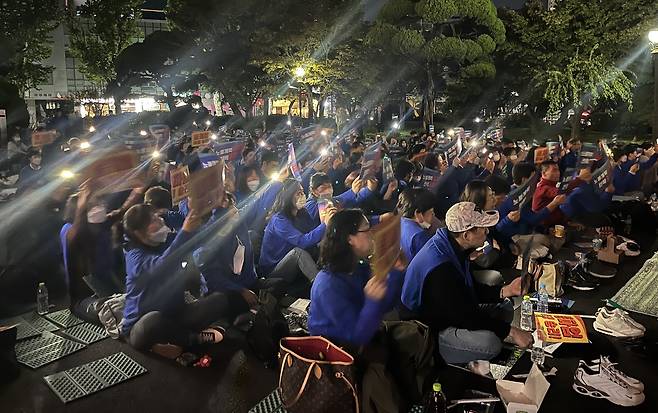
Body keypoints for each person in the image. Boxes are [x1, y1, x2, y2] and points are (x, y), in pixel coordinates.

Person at [401, 202, 533, 364]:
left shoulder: (452, 245)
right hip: (429, 330)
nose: (487, 231)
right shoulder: (441, 267)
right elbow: (464, 316)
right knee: (490, 344)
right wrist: (511, 331)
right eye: (482, 228)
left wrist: (507, 290)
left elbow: (468, 288)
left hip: (452, 311)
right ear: (466, 235)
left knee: (504, 308)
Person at [121, 203, 229, 352]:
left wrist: (221, 210)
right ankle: (194, 339)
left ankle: (175, 339)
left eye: (157, 216)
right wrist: (184, 232)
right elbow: (163, 266)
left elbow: (202, 237)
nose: (160, 221)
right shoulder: (134, 257)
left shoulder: (167, 242)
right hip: (142, 324)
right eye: (152, 221)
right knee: (152, 322)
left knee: (219, 300)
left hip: (175, 314)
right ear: (138, 233)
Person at [309, 209, 406, 345]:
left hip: (363, 332)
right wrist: (372, 301)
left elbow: (385, 306)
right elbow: (356, 337)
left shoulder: (358, 268)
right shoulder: (328, 285)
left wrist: (396, 272)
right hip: (335, 352)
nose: (372, 234)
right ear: (349, 239)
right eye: (366, 229)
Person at [259, 179, 335, 293]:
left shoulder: (302, 214)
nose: (302, 196)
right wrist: (325, 224)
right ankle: (322, 287)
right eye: (298, 193)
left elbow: (313, 234)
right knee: (297, 252)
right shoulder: (278, 220)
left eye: (302, 192)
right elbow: (302, 242)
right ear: (288, 196)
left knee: (323, 244)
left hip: (295, 263)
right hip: (275, 269)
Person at [305, 172, 375, 225]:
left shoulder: (330, 200)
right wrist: (352, 191)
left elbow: (353, 199)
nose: (328, 190)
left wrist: (369, 189)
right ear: (314, 191)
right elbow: (340, 199)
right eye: (323, 188)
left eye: (329, 186)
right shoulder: (310, 205)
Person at [397, 188, 436, 262]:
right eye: (431, 212)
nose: (433, 215)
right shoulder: (420, 236)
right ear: (418, 214)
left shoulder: (399, 222)